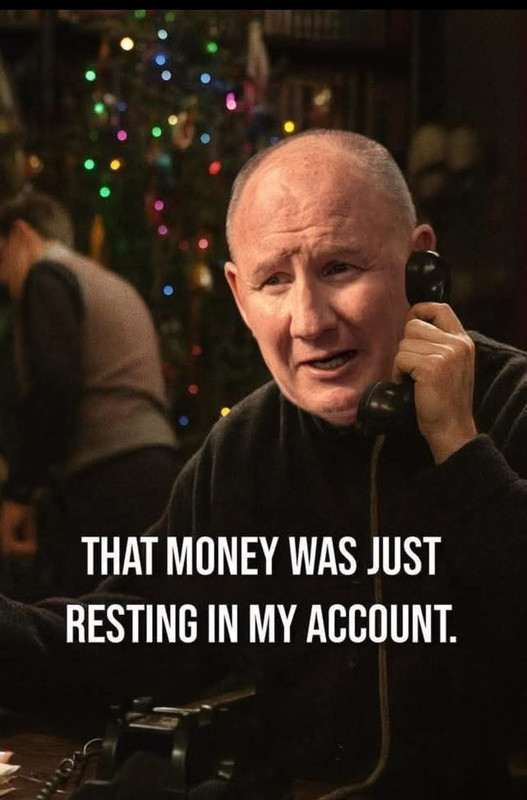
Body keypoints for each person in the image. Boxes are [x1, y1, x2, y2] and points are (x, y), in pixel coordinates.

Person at [0, 130, 526, 800]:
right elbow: (135, 635)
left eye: (340, 268)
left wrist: (459, 446)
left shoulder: (510, 403)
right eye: (274, 280)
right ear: (240, 297)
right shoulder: (246, 443)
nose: (308, 320)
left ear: (421, 265)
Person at [0, 190, 183, 596]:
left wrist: (21, 492)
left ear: (21, 234)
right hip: (157, 466)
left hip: (105, 480)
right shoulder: (110, 282)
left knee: (92, 623)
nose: (3, 280)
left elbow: (54, 384)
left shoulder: (47, 275)